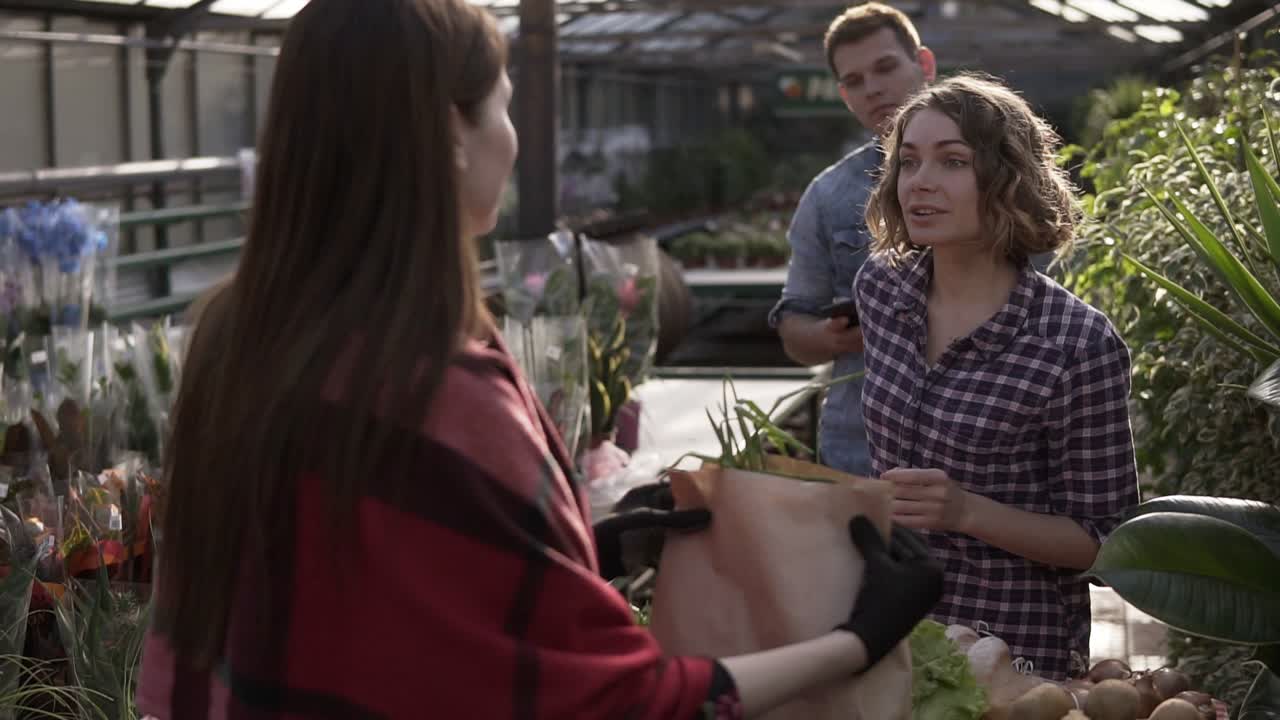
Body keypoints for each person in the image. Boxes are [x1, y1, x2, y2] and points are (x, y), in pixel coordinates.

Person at [136, 1, 943, 718]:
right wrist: (857, 639)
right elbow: (615, 700)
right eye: (504, 106)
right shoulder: (443, 390)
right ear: (450, 135)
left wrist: (592, 545)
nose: (514, 138)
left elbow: (364, 593)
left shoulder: (231, 339)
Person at [853, 73, 1141, 680]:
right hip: (890, 625)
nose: (921, 181)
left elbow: (1107, 546)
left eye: (953, 161)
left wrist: (965, 511)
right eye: (909, 161)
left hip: (1014, 653)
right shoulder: (881, 289)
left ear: (1008, 179)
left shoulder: (1075, 343)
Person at [771, 2, 936, 477]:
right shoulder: (828, 197)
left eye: (885, 67)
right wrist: (833, 337)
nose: (873, 88)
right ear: (844, 95)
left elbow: (1044, 300)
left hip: (984, 449)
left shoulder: (994, 171)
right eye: (855, 80)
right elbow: (794, 327)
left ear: (924, 64)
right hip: (862, 453)